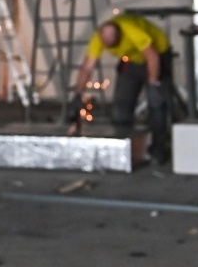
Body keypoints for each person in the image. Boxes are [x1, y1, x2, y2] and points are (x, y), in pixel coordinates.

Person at [72, 13, 176, 162]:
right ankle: (123, 149)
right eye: (105, 43)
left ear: (119, 36)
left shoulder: (131, 30)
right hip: (131, 59)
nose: (106, 46)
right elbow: (87, 68)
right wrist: (78, 93)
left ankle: (159, 149)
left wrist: (153, 83)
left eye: (111, 42)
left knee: (156, 103)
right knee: (121, 104)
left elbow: (152, 56)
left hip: (158, 54)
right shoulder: (98, 37)